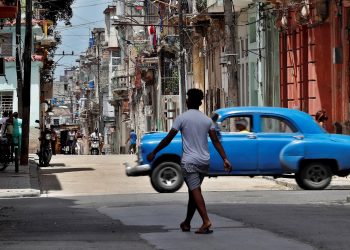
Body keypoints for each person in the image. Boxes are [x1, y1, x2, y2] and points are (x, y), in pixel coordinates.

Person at [147, 88, 232, 234]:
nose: (186, 100)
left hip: (189, 162)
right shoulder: (207, 120)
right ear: (199, 102)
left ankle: (206, 221)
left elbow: (168, 139)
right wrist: (225, 158)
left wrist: (154, 152)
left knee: (195, 191)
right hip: (204, 162)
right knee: (194, 192)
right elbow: (216, 141)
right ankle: (187, 223)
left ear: (188, 101)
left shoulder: (182, 118)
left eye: (186, 98)